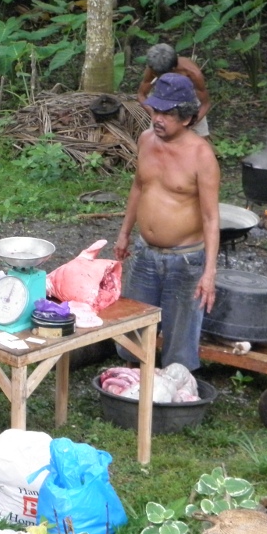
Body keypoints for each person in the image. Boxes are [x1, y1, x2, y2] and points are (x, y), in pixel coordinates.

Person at [115, 73, 221, 370]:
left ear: (186, 118)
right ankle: (130, 382)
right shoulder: (146, 139)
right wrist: (124, 233)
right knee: (132, 327)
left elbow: (212, 218)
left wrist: (209, 273)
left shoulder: (202, 156)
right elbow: (139, 186)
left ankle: (177, 390)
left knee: (180, 338)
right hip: (145, 252)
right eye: (156, 110)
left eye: (167, 113)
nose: (158, 119)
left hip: (185, 261)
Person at [138, 43, 212, 138]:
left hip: (189, 102)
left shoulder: (192, 73)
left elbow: (205, 104)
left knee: (200, 142)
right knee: (154, 141)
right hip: (162, 101)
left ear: (173, 69)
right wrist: (154, 114)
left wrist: (190, 124)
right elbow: (141, 95)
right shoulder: (154, 68)